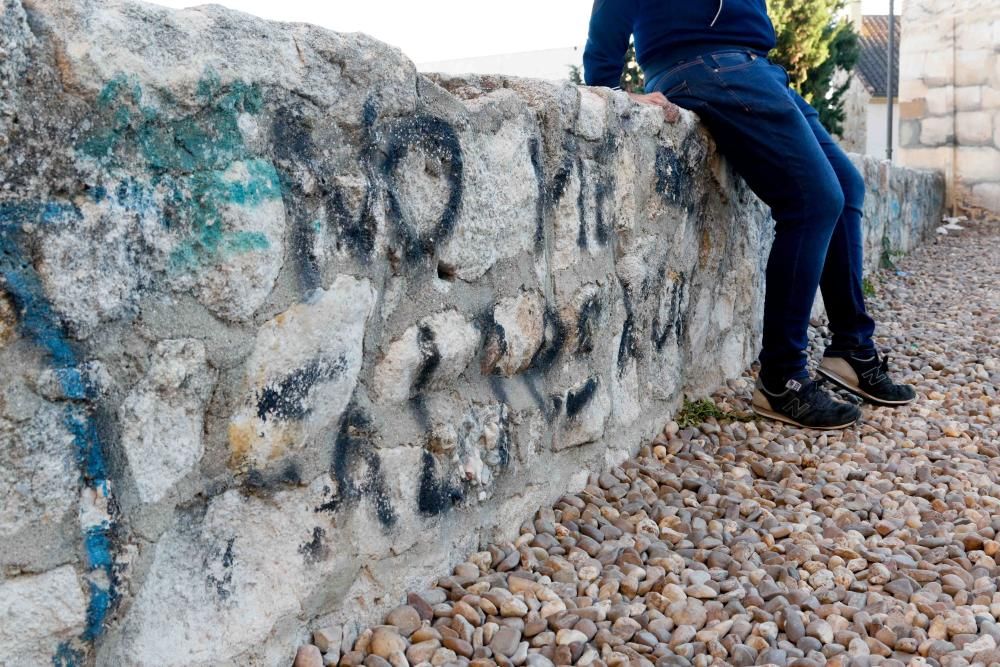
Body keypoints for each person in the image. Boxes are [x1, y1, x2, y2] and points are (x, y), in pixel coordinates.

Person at [583, 0, 916, 430]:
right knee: (813, 199)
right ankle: (782, 379)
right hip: (701, 63)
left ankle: (850, 347)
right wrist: (606, 85)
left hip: (754, 67)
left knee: (846, 187)